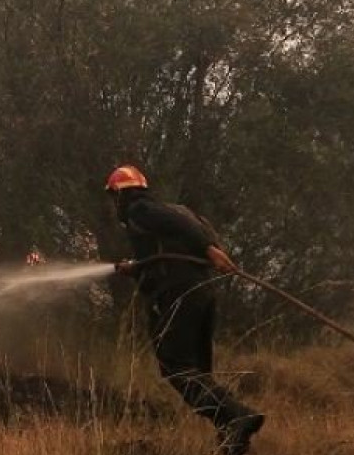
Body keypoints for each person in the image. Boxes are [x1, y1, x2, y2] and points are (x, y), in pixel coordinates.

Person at [106, 165, 265, 455]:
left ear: (120, 194)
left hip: (178, 294)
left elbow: (182, 232)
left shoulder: (139, 210)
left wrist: (209, 250)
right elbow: (172, 248)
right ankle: (234, 438)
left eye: (113, 197)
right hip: (201, 293)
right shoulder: (171, 211)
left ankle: (236, 417)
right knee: (198, 371)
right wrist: (136, 268)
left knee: (174, 366)